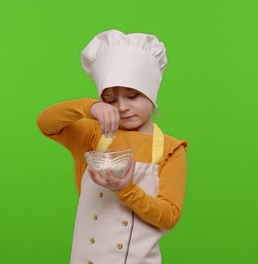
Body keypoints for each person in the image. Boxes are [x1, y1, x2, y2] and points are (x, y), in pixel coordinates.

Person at [37, 29, 188, 264]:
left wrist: (126, 189)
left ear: (151, 93)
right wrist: (90, 107)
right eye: (111, 100)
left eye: (132, 95)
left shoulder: (170, 149)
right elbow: (46, 123)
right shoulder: (93, 135)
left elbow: (169, 216)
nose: (123, 107)